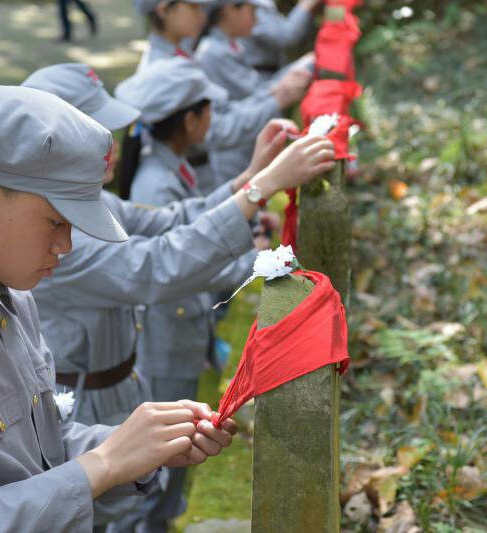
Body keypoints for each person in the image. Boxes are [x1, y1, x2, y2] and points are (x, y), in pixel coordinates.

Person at [0, 84, 240, 532]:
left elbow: (41, 450)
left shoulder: (11, 297)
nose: (66, 245)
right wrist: (104, 463)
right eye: (56, 221)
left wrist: (138, 444)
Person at [22, 63, 334, 531]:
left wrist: (248, 178)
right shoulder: (51, 226)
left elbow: (165, 221)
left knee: (137, 500)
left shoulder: (86, 202)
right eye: (97, 132)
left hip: (120, 385)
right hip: (82, 404)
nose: (112, 144)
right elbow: (156, 265)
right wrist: (260, 187)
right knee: (105, 512)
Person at [116, 57, 300, 532]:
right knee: (154, 472)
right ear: (192, 119)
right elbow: (179, 262)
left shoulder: (171, 166)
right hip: (162, 342)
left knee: (174, 463)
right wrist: (256, 256)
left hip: (179, 334)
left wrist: (256, 176)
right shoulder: (155, 180)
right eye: (209, 110)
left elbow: (193, 223)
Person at [131, 0, 308, 191]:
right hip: (186, 182)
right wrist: (276, 100)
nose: (202, 14)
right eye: (193, 7)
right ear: (164, 9)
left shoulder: (182, 55)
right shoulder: (163, 69)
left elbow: (222, 108)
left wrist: (275, 95)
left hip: (200, 175)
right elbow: (215, 129)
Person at [195, 0, 313, 178]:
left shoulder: (229, 46)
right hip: (232, 151)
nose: (256, 19)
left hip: (243, 143)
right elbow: (257, 93)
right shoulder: (213, 52)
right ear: (229, 11)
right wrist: (285, 87)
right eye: (252, 11)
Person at [242, 0, 320, 80]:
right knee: (311, 63)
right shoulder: (253, 5)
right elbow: (287, 37)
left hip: (263, 75)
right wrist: (307, 4)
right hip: (258, 78)